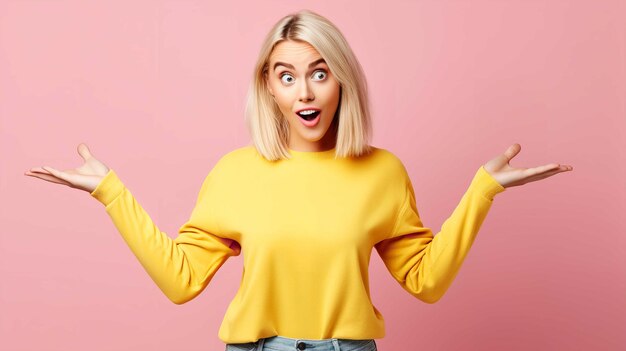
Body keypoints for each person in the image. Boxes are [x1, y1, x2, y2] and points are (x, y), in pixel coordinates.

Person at [24, 9, 573, 351]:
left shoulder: (382, 172)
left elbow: (425, 282)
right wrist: (109, 192)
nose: (304, 93)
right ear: (269, 87)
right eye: (287, 77)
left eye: (318, 72)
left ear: (341, 81)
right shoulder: (235, 172)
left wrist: (483, 190)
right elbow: (181, 281)